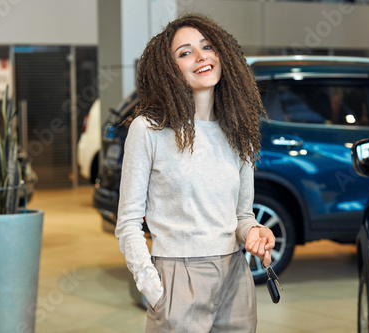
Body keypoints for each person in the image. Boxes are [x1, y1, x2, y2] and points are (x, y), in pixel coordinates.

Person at [115, 13, 276, 333]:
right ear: (168, 69)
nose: (201, 56)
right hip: (177, 277)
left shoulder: (238, 130)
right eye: (185, 52)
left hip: (235, 276)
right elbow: (128, 224)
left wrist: (255, 233)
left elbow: (242, 216)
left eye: (207, 47)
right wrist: (152, 286)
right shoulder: (148, 130)